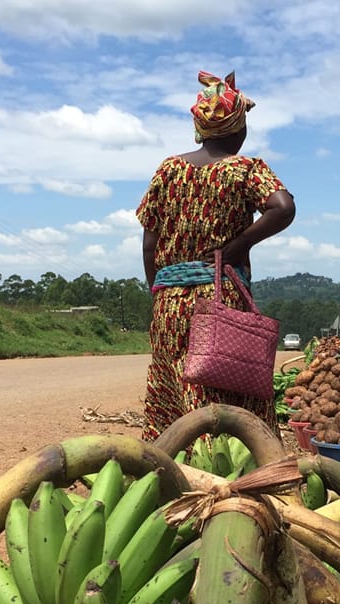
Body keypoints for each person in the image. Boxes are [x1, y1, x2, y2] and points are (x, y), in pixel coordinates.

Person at [137, 71, 295, 442]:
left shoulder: (169, 170)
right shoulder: (244, 169)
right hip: (220, 296)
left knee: (172, 385)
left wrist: (158, 291)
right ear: (238, 130)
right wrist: (239, 246)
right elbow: (282, 207)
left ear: (200, 129)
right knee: (225, 384)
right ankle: (234, 474)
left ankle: (170, 469)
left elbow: (149, 243)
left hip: (170, 302)